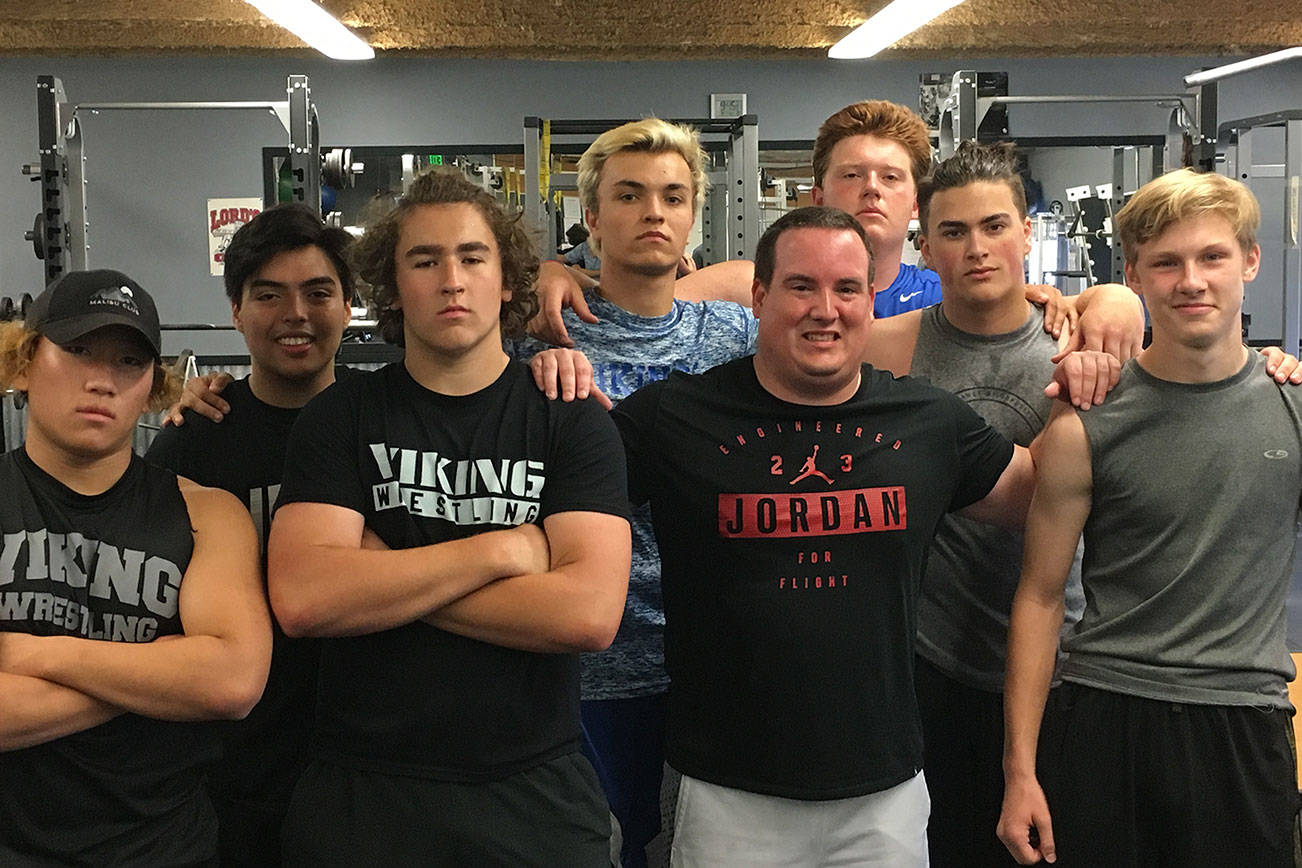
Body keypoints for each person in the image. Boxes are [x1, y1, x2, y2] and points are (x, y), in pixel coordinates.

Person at [613, 206, 1037, 866]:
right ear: (759, 297)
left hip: (883, 796)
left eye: (846, 290)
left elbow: (1048, 495)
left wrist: (1094, 361)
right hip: (728, 791)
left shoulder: (927, 423)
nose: (825, 309)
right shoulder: (674, 419)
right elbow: (556, 490)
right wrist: (553, 371)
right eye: (801, 286)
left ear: (870, 301)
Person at [267, 168, 632, 867]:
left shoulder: (569, 417)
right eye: (425, 260)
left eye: (472, 257)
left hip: (533, 792)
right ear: (392, 286)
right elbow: (307, 599)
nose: (451, 279)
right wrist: (499, 554)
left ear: (506, 281)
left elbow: (585, 615)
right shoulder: (340, 417)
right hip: (365, 792)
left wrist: (379, 576)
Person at [997, 169, 1301, 866]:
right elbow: (1040, 597)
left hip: (1244, 720)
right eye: (1166, 262)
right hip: (1109, 718)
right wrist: (1020, 772)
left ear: (1250, 262)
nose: (1191, 281)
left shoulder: (1295, 405)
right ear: (1133, 274)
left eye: (1213, 257)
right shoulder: (1086, 423)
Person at [511, 116, 758, 868]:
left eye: (673, 197)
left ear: (692, 217)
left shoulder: (737, 337)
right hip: (588, 667)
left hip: (713, 664)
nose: (654, 212)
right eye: (630, 195)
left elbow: (860, 318)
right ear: (590, 217)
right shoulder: (535, 341)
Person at [0, 269, 271, 866]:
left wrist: (34, 655)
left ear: (152, 387)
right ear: (22, 364)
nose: (102, 380)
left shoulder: (208, 514)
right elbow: (207, 677)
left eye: (128, 361)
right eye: (76, 351)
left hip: (163, 851)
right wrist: (169, 670)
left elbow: (231, 682)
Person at [146, 203, 354, 866]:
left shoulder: (384, 422)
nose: (296, 313)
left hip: (366, 763)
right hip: (235, 770)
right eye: (268, 295)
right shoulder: (194, 439)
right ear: (236, 312)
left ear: (350, 307)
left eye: (318, 292)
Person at [533, 100, 1075, 347]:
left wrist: (1106, 302)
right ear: (817, 196)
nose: (871, 190)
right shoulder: (740, 289)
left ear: (917, 206)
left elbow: (1027, 321)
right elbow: (631, 302)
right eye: (853, 175)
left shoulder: (949, 294)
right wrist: (551, 274)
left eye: (890, 178)